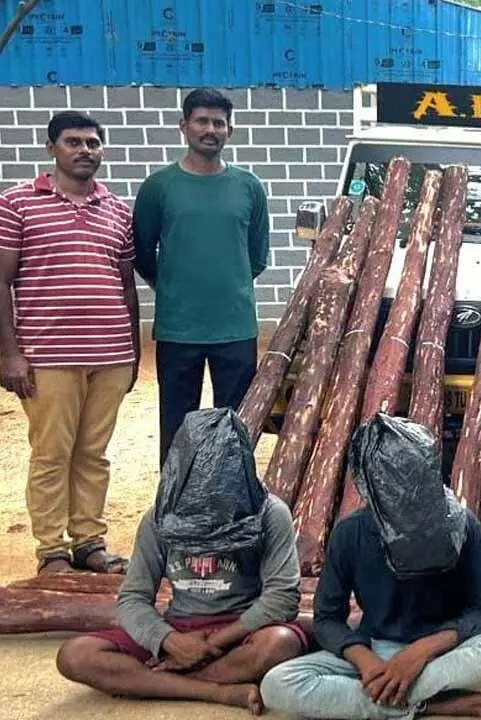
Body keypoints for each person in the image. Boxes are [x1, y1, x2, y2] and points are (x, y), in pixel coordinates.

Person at [260, 414, 481, 720]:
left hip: (441, 654)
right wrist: (364, 660)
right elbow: (327, 619)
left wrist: (421, 651)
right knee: (276, 685)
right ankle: (425, 704)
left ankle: (390, 699)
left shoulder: (462, 525)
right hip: (375, 649)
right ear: (370, 484)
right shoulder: (350, 533)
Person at [55, 408, 305, 714]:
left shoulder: (270, 512)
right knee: (75, 655)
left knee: (279, 644)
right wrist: (170, 641)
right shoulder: (158, 517)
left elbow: (282, 598)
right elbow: (133, 597)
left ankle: (163, 681)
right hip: (178, 627)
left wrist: (212, 645)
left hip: (242, 628)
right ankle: (215, 691)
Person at [0, 111, 138, 576]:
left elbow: (126, 286)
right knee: (52, 454)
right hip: (48, 357)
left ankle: (89, 542)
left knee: (93, 453)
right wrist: (10, 352)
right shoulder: (17, 204)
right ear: (50, 148)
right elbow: (1, 282)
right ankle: (52, 551)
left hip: (110, 355)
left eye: (93, 143)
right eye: (73, 142)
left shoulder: (117, 209)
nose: (85, 151)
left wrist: (132, 352)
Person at [133, 87, 270, 466]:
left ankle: (233, 504)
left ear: (230, 130)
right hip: (178, 329)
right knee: (178, 424)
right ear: (184, 126)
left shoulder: (248, 187)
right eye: (202, 121)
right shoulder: (159, 187)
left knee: (235, 424)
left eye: (218, 122)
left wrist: (227, 286)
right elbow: (142, 253)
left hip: (236, 328)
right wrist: (175, 287)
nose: (210, 129)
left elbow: (257, 256)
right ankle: (176, 506)